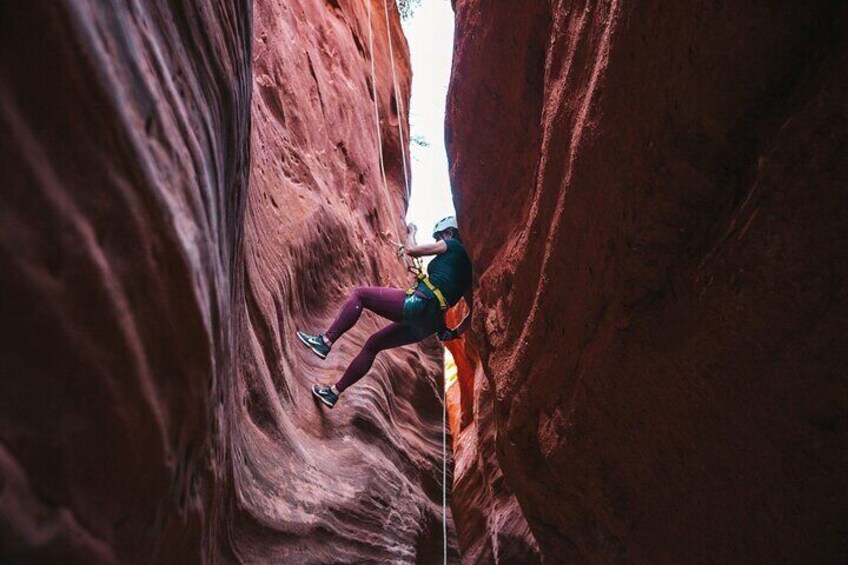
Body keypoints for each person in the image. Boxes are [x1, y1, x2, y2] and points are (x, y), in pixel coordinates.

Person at [297, 216, 473, 408]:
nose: (438, 241)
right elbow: (472, 314)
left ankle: (325, 342)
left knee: (360, 295)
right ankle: (333, 393)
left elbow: (413, 250)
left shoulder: (452, 245)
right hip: (430, 324)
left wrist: (411, 233)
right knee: (374, 344)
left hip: (419, 303)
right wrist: (453, 332)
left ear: (449, 233)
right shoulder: (468, 272)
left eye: (439, 236)